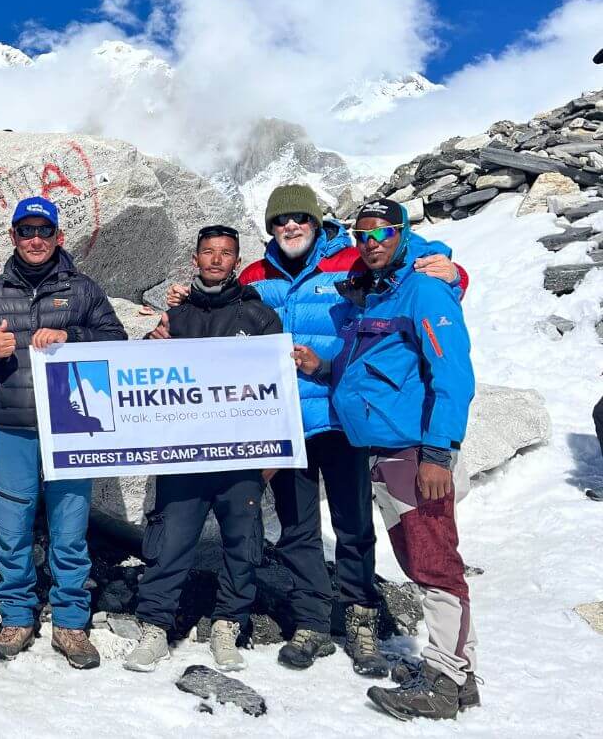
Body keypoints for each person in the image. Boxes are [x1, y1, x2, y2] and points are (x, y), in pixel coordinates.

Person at [158, 184, 465, 675]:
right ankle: (311, 622)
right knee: (298, 527)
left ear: (317, 222)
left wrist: (452, 266)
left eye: (300, 217)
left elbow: (412, 258)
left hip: (343, 419)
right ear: (270, 229)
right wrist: (183, 295)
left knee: (353, 524)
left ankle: (361, 617)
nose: (291, 227)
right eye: (280, 221)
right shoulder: (258, 275)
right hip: (284, 421)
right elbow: (217, 304)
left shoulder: (354, 256)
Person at [293, 198, 479, 721]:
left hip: (415, 451)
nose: (372, 244)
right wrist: (323, 366)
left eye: (383, 234)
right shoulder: (375, 295)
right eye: (363, 235)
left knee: (434, 564)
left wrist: (438, 453)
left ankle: (445, 683)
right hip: (386, 449)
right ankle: (458, 672)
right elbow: (369, 368)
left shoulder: (424, 287)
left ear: (401, 234)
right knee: (425, 559)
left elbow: (453, 377)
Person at [0, 196, 127, 669]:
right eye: (26, 231)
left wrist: (73, 336)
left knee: (70, 531)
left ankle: (71, 623)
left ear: (57, 237)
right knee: (11, 531)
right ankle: (16, 615)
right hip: (11, 428)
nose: (35, 240)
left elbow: (117, 341)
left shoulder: (83, 290)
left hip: (73, 427)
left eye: (43, 231)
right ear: (13, 237)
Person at [124, 225, 282, 675]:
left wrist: (272, 453)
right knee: (170, 540)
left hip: (241, 455)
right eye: (208, 252)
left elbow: (277, 389)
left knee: (242, 542)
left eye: (226, 253)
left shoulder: (259, 317)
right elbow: (144, 386)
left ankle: (228, 624)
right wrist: (150, 348)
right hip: (183, 453)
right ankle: (155, 625)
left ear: (237, 260)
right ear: (194, 259)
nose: (216, 260)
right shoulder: (177, 315)